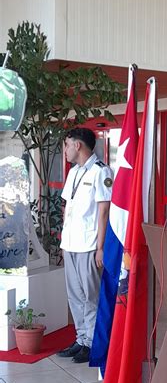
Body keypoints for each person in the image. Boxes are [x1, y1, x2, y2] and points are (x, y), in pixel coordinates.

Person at [57, 127, 113, 363]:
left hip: (89, 244)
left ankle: (93, 342)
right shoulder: (74, 172)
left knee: (91, 297)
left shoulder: (101, 171)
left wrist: (101, 248)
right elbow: (66, 206)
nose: (66, 150)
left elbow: (103, 212)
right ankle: (81, 339)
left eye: (67, 145)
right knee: (75, 296)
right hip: (70, 242)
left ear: (78, 145)